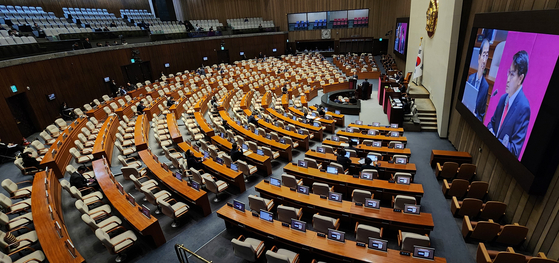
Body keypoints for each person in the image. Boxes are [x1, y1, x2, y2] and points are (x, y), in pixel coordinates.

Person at [487, 50, 531, 158]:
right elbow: (491, 123)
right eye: (508, 73)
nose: (507, 79)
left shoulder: (524, 108)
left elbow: (515, 150)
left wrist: (497, 142)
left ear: (520, 78)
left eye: (512, 75)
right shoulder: (503, 99)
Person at [468, 38, 491, 122]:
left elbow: (481, 116)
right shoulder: (470, 78)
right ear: (479, 57)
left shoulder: (485, 87)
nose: (484, 60)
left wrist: (475, 116)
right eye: (483, 55)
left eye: (487, 56)